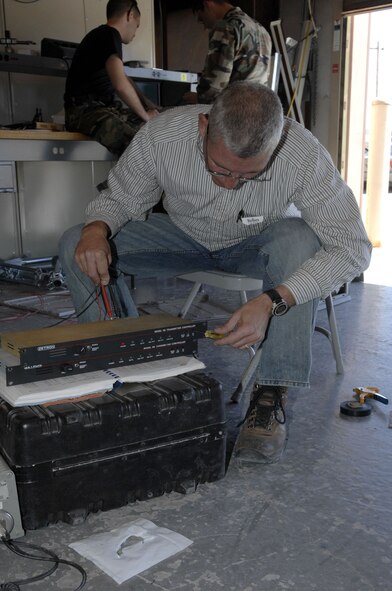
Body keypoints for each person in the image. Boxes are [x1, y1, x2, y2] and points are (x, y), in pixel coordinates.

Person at [59, 81, 371, 465]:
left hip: (255, 245)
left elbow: (353, 247)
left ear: (276, 147)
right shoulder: (162, 136)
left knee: (300, 240)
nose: (229, 184)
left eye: (248, 176)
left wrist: (274, 300)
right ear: (204, 127)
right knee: (76, 239)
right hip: (180, 237)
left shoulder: (303, 154)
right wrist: (96, 229)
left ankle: (270, 395)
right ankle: (119, 371)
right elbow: (122, 197)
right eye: (219, 168)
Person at [64, 0, 160, 156]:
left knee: (155, 130)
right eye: (137, 25)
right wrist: (146, 116)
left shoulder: (102, 36)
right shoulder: (108, 34)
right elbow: (120, 85)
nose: (135, 32)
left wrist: (150, 106)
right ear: (130, 15)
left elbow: (124, 79)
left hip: (99, 108)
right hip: (84, 112)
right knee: (139, 146)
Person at [182, 0, 272, 104]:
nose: (205, 27)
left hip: (233, 110)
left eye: (202, 19)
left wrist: (199, 98)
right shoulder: (261, 29)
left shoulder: (225, 26)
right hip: (259, 109)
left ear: (207, 4)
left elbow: (215, 83)